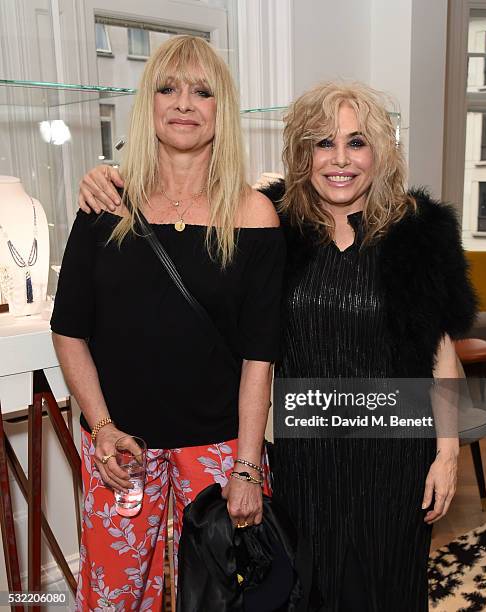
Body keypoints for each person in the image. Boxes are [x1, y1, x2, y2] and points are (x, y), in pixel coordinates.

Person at [78, 82, 477, 611]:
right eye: (321, 143)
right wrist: (110, 179)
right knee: (307, 588)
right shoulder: (271, 225)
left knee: (387, 586)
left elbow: (441, 352)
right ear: (300, 153)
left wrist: (447, 453)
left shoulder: (418, 232)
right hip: (303, 461)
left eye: (356, 143)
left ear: (381, 151)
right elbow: (187, 220)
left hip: (394, 455)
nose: (340, 160)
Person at [52, 35, 285, 611]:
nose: (184, 102)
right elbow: (69, 330)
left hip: (219, 449)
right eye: (168, 87)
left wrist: (249, 467)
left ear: (220, 109)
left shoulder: (253, 214)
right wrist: (101, 427)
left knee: (226, 599)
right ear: (148, 102)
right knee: (114, 599)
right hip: (120, 448)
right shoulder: (106, 202)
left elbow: (260, 355)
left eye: (202, 91)